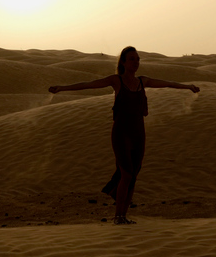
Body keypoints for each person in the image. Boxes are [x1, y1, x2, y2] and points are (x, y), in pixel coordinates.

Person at [48, 46, 200, 225]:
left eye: (138, 59)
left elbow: (167, 83)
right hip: (121, 133)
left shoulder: (143, 81)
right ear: (123, 62)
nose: (136, 62)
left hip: (138, 134)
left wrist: (188, 87)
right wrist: (61, 88)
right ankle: (117, 216)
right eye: (132, 59)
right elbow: (89, 84)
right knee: (126, 173)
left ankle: (124, 215)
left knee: (133, 175)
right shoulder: (116, 80)